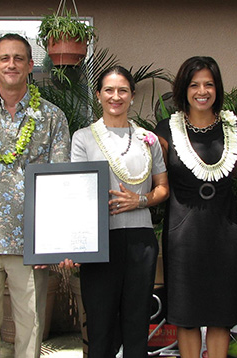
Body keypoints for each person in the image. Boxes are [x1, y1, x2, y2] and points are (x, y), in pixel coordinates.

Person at [0, 33, 70, 358]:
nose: (11, 64)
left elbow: (60, 184)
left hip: (31, 244)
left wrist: (52, 243)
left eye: (19, 58)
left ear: (31, 65)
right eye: (4, 58)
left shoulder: (52, 118)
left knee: (31, 328)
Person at [62, 65, 169, 358]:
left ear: (132, 95)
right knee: (100, 327)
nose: (116, 96)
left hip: (140, 240)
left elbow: (162, 188)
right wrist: (72, 242)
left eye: (123, 90)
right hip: (99, 242)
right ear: (98, 95)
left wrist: (141, 201)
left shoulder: (148, 139)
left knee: (136, 325)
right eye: (109, 90)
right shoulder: (83, 138)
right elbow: (77, 191)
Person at [153, 56, 237, 358]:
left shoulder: (234, 126)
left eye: (209, 84)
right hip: (183, 233)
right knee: (186, 315)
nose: (202, 91)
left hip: (225, 231)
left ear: (217, 88)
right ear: (183, 88)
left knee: (221, 313)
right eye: (194, 84)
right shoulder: (166, 129)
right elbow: (152, 178)